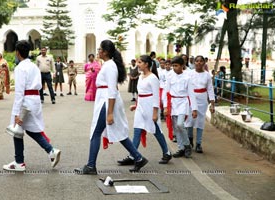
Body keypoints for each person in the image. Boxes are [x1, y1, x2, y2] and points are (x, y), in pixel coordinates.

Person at [75, 40, 148, 175]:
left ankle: (91, 166)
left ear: (106, 52)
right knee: (118, 131)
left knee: (96, 132)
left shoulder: (110, 66)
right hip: (105, 100)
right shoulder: (108, 65)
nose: (98, 52)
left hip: (106, 101)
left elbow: (112, 90)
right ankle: (138, 157)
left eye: (100, 49)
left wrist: (109, 113)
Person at [3, 40, 61, 172]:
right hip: (35, 99)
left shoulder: (20, 68)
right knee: (28, 129)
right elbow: (40, 85)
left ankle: (21, 161)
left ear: (17, 53)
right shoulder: (34, 66)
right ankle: (46, 152)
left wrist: (16, 113)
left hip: (25, 100)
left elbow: (19, 92)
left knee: (18, 130)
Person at [118, 55, 172, 166]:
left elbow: (156, 97)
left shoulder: (153, 78)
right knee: (137, 131)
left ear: (146, 64)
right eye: (137, 62)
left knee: (156, 131)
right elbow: (141, 94)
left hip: (150, 107)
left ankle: (167, 152)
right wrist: (136, 105)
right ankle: (133, 156)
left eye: (140, 62)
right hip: (141, 107)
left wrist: (155, 112)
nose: (138, 64)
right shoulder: (141, 76)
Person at [163, 56, 198, 158]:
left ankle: (187, 145)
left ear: (182, 66)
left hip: (183, 103)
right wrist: (165, 107)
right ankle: (181, 148)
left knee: (180, 125)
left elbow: (191, 94)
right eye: (173, 66)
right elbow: (166, 93)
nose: (174, 68)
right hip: (173, 103)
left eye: (176, 66)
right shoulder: (170, 77)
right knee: (176, 128)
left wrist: (194, 109)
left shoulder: (187, 78)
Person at [185, 55, 215, 153]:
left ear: (204, 63)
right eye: (196, 61)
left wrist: (212, 104)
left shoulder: (207, 75)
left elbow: (210, 89)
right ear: (194, 63)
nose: (198, 63)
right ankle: (190, 140)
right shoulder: (189, 74)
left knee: (200, 122)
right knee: (189, 120)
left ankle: (198, 143)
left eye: (201, 61)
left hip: (202, 99)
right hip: (191, 97)